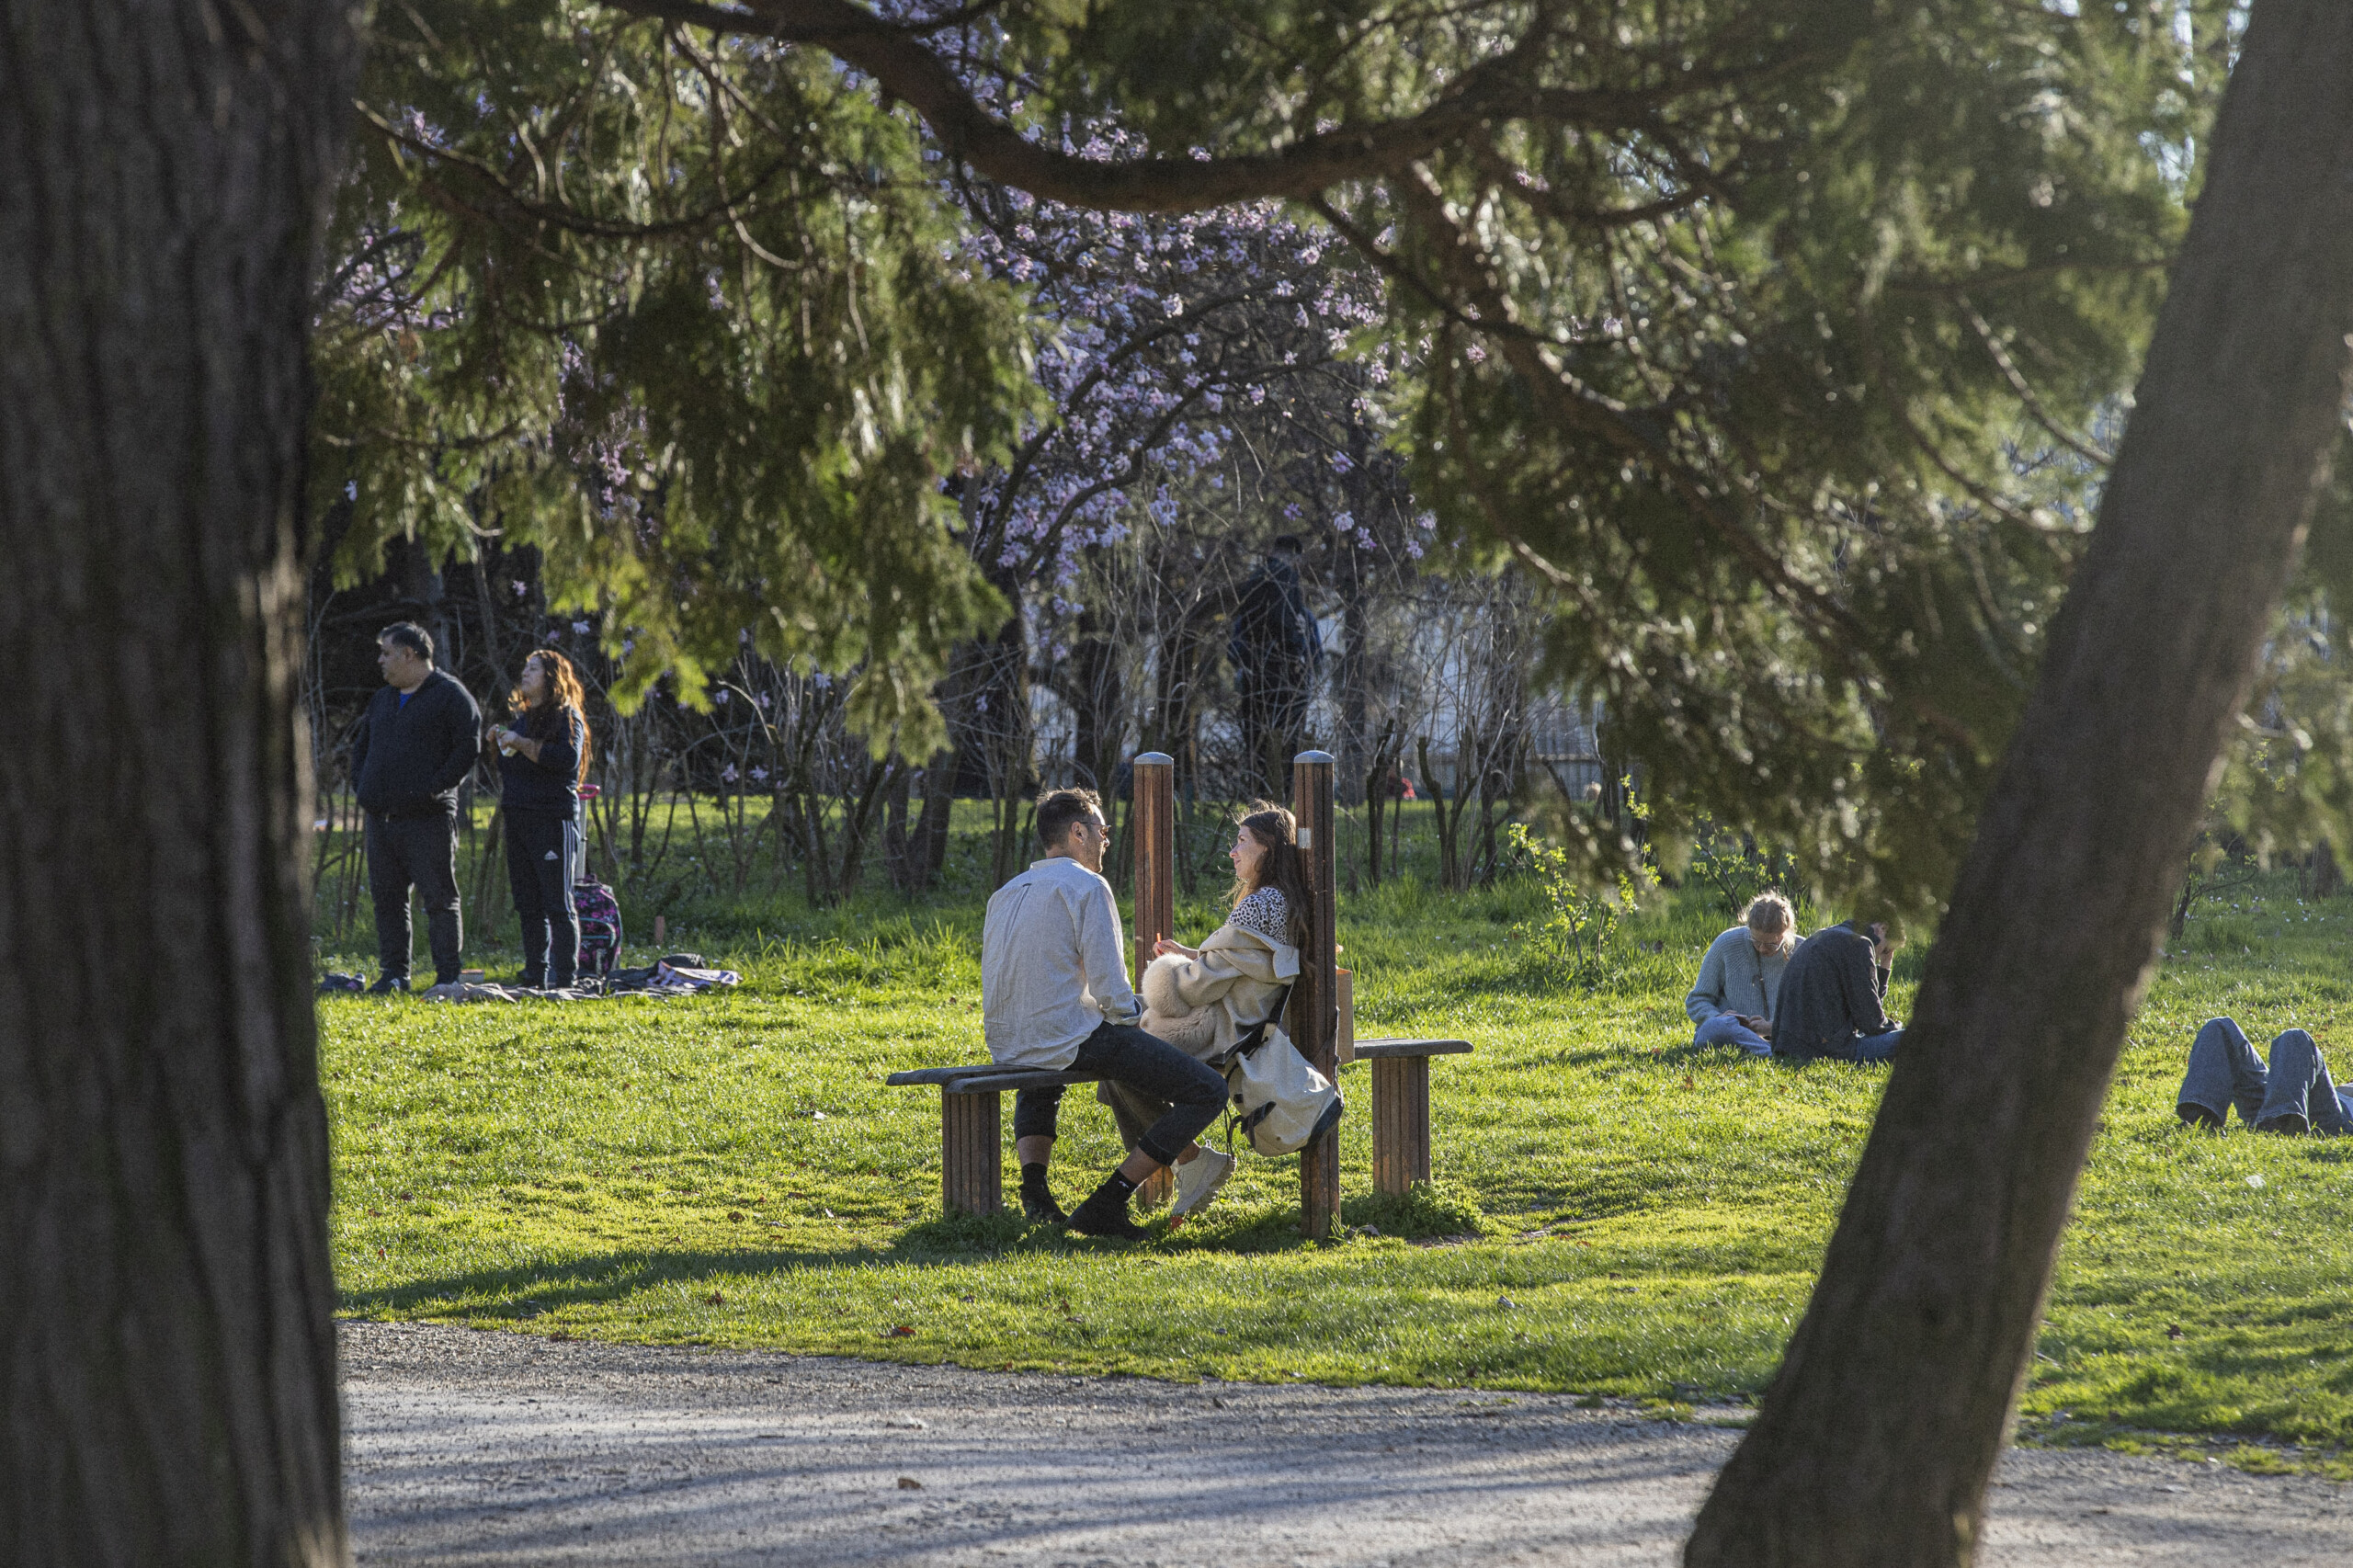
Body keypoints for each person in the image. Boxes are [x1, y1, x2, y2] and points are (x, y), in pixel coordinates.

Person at [983, 789, 1229, 1240]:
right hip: (1067, 1038)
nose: (1105, 840)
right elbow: (1111, 992)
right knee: (1208, 1090)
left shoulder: (1004, 892)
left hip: (1006, 1040)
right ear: (1078, 832)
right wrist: (1145, 1011)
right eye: (1101, 830)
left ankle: (1035, 1193)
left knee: (1046, 1059)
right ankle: (1107, 1203)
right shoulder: (1087, 886)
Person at [1116, 803, 1313, 1221]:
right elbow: (1239, 963)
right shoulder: (1281, 901)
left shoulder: (1260, 905)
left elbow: (1194, 987)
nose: (1233, 852)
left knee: (1120, 1065)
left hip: (1225, 1031)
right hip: (1245, 1019)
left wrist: (1165, 972)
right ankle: (1187, 1163)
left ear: (1268, 849)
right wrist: (1192, 954)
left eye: (1242, 842)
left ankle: (1191, 1162)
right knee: (1117, 1070)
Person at [350, 622, 483, 993]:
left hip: (428, 819)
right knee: (387, 901)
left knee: (439, 899)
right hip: (381, 819)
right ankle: (394, 975)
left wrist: (432, 789)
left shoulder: (451, 696)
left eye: (387, 652)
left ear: (410, 654)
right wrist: (363, 788)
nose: (380, 660)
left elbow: (467, 749)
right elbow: (361, 748)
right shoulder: (383, 699)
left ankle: (447, 979)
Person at [486, 649, 591, 990]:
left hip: (552, 818)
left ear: (552, 677)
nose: (525, 674)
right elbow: (511, 766)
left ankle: (565, 978)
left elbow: (565, 760)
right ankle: (535, 972)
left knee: (557, 902)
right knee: (527, 902)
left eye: (534, 669)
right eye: (525, 668)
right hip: (517, 817)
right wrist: (500, 743)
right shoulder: (522, 718)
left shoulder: (566, 716)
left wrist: (522, 742)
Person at [1229, 536, 1322, 791]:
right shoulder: (1293, 597)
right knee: (1285, 750)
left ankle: (1267, 799)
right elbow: (1315, 656)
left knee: (1259, 752)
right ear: (1296, 560)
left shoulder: (1253, 592)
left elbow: (1234, 648)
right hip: (1287, 686)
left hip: (1257, 686)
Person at [2177, 1017, 2353, 1135]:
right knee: (2221, 1027)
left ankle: (2282, 1123)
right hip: (2280, 1100)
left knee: (2296, 1038)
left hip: (2326, 1119)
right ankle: (2200, 1116)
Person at [1770, 915, 1904, 1062]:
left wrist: (1885, 964)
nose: (1879, 957)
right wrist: (1894, 1027)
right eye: (1886, 950)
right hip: (1826, 1051)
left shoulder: (1822, 936)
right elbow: (1872, 1024)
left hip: (1787, 1046)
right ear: (1883, 928)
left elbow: (1868, 1011)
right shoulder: (1859, 944)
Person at [1684, 892, 1801, 1057]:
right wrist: (1718, 1016)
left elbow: (1811, 1013)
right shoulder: (1727, 943)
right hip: (1730, 1033)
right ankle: (1771, 1053)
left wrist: (1771, 1028)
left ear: (1786, 933)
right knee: (1715, 1028)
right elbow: (1696, 1001)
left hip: (1780, 1034)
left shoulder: (1801, 951)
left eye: (1771, 944)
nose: (1761, 948)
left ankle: (1769, 1049)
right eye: (1756, 941)